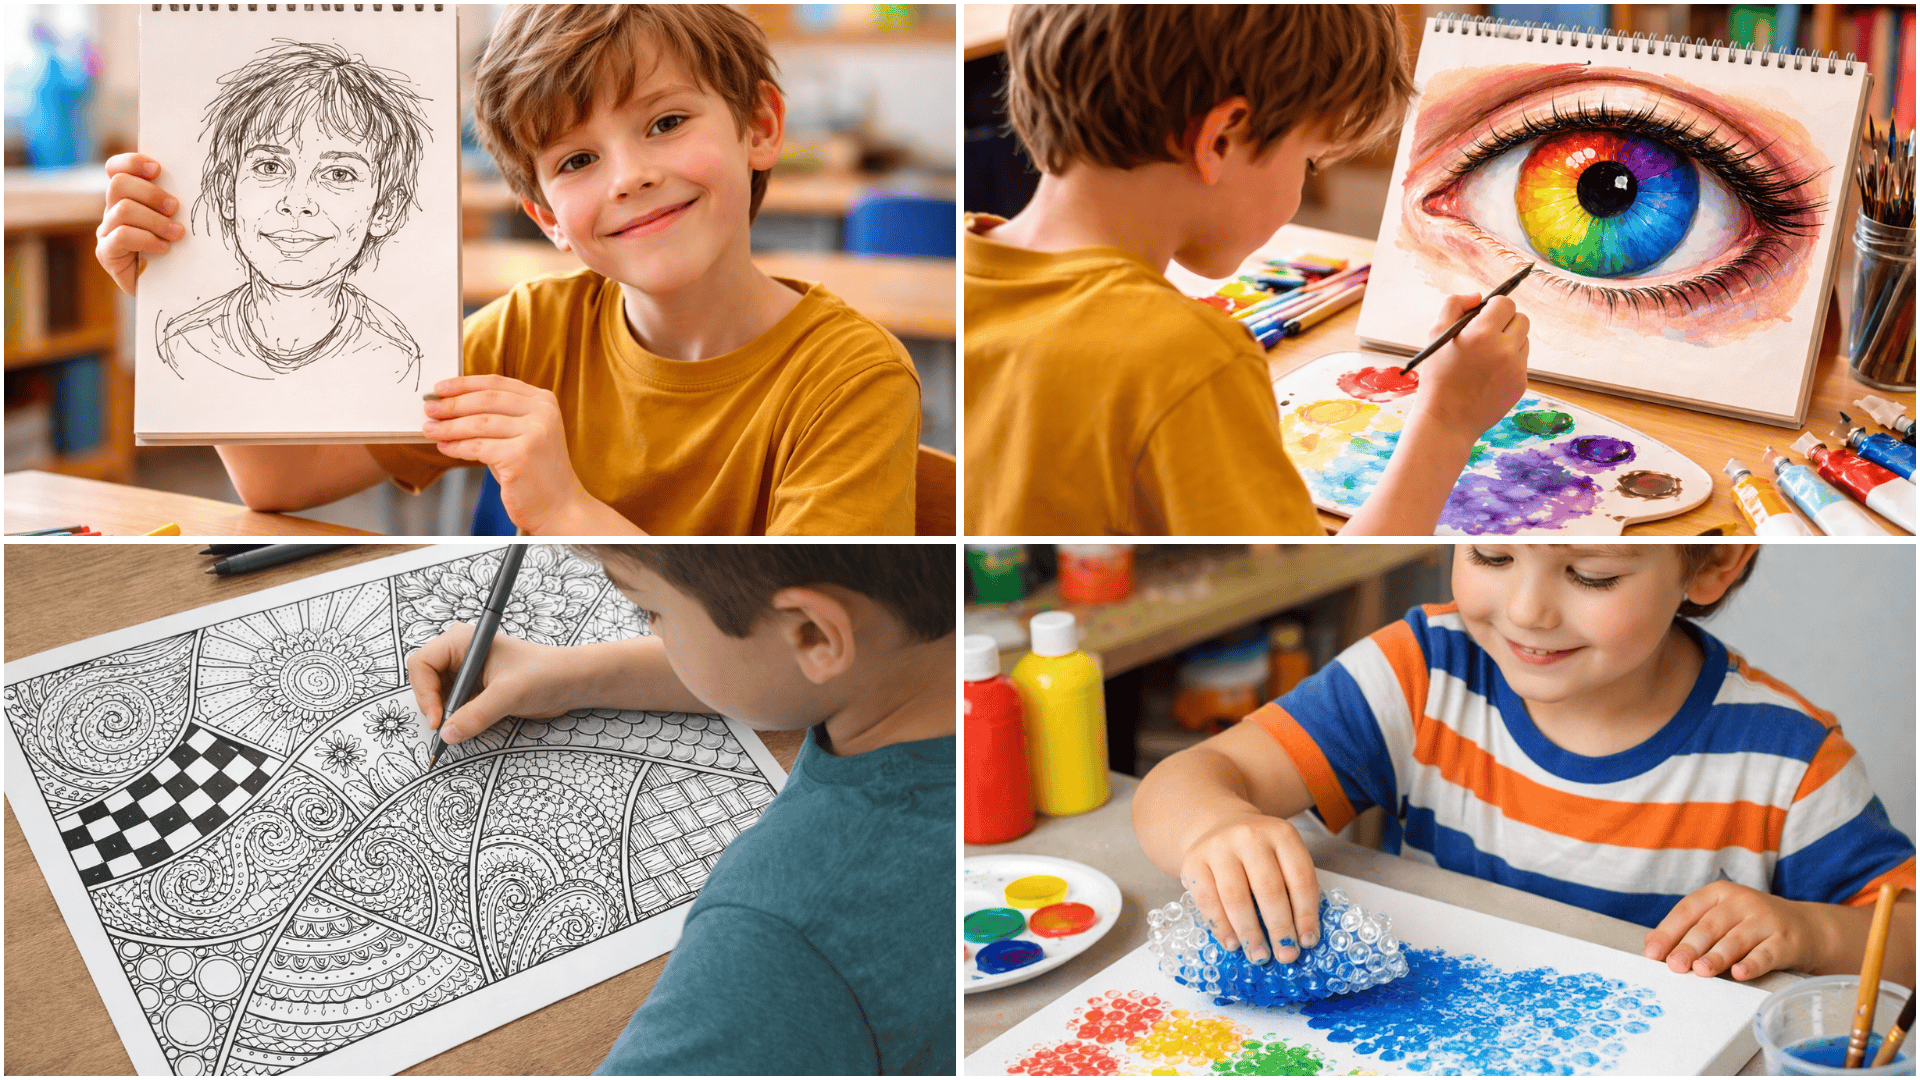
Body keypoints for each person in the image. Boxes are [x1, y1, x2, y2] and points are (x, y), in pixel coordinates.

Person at [98, 5, 921, 534]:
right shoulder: (529, 331)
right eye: (575, 160)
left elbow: (794, 653)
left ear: (762, 126)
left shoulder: (850, 378)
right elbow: (284, 481)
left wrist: (568, 507)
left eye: (666, 121)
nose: (628, 175)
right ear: (544, 218)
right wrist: (190, 295)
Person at [1134, 545, 1916, 987]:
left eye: (1591, 575)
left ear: (1709, 565)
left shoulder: (1789, 758)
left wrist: (1808, 930)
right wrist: (1218, 825)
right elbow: (1187, 780)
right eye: (1492, 553)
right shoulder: (1423, 670)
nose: (1527, 610)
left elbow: (1907, 939)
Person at [965, 5, 1530, 535]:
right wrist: (1448, 421)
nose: (1301, 188)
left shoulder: (956, 269)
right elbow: (1309, 585)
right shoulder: (1187, 360)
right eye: (1309, 162)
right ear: (1221, 138)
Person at [407, 545, 955, 1073]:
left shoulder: (777, 934)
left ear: (814, 633)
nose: (651, 630)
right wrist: (578, 673)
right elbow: (782, 667)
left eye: (652, 610)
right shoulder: (956, 685)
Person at [158, 40, 427, 387]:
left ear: (384, 208)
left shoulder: (395, 359)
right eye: (270, 167)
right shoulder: (182, 345)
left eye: (339, 174)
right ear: (228, 192)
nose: (297, 201)